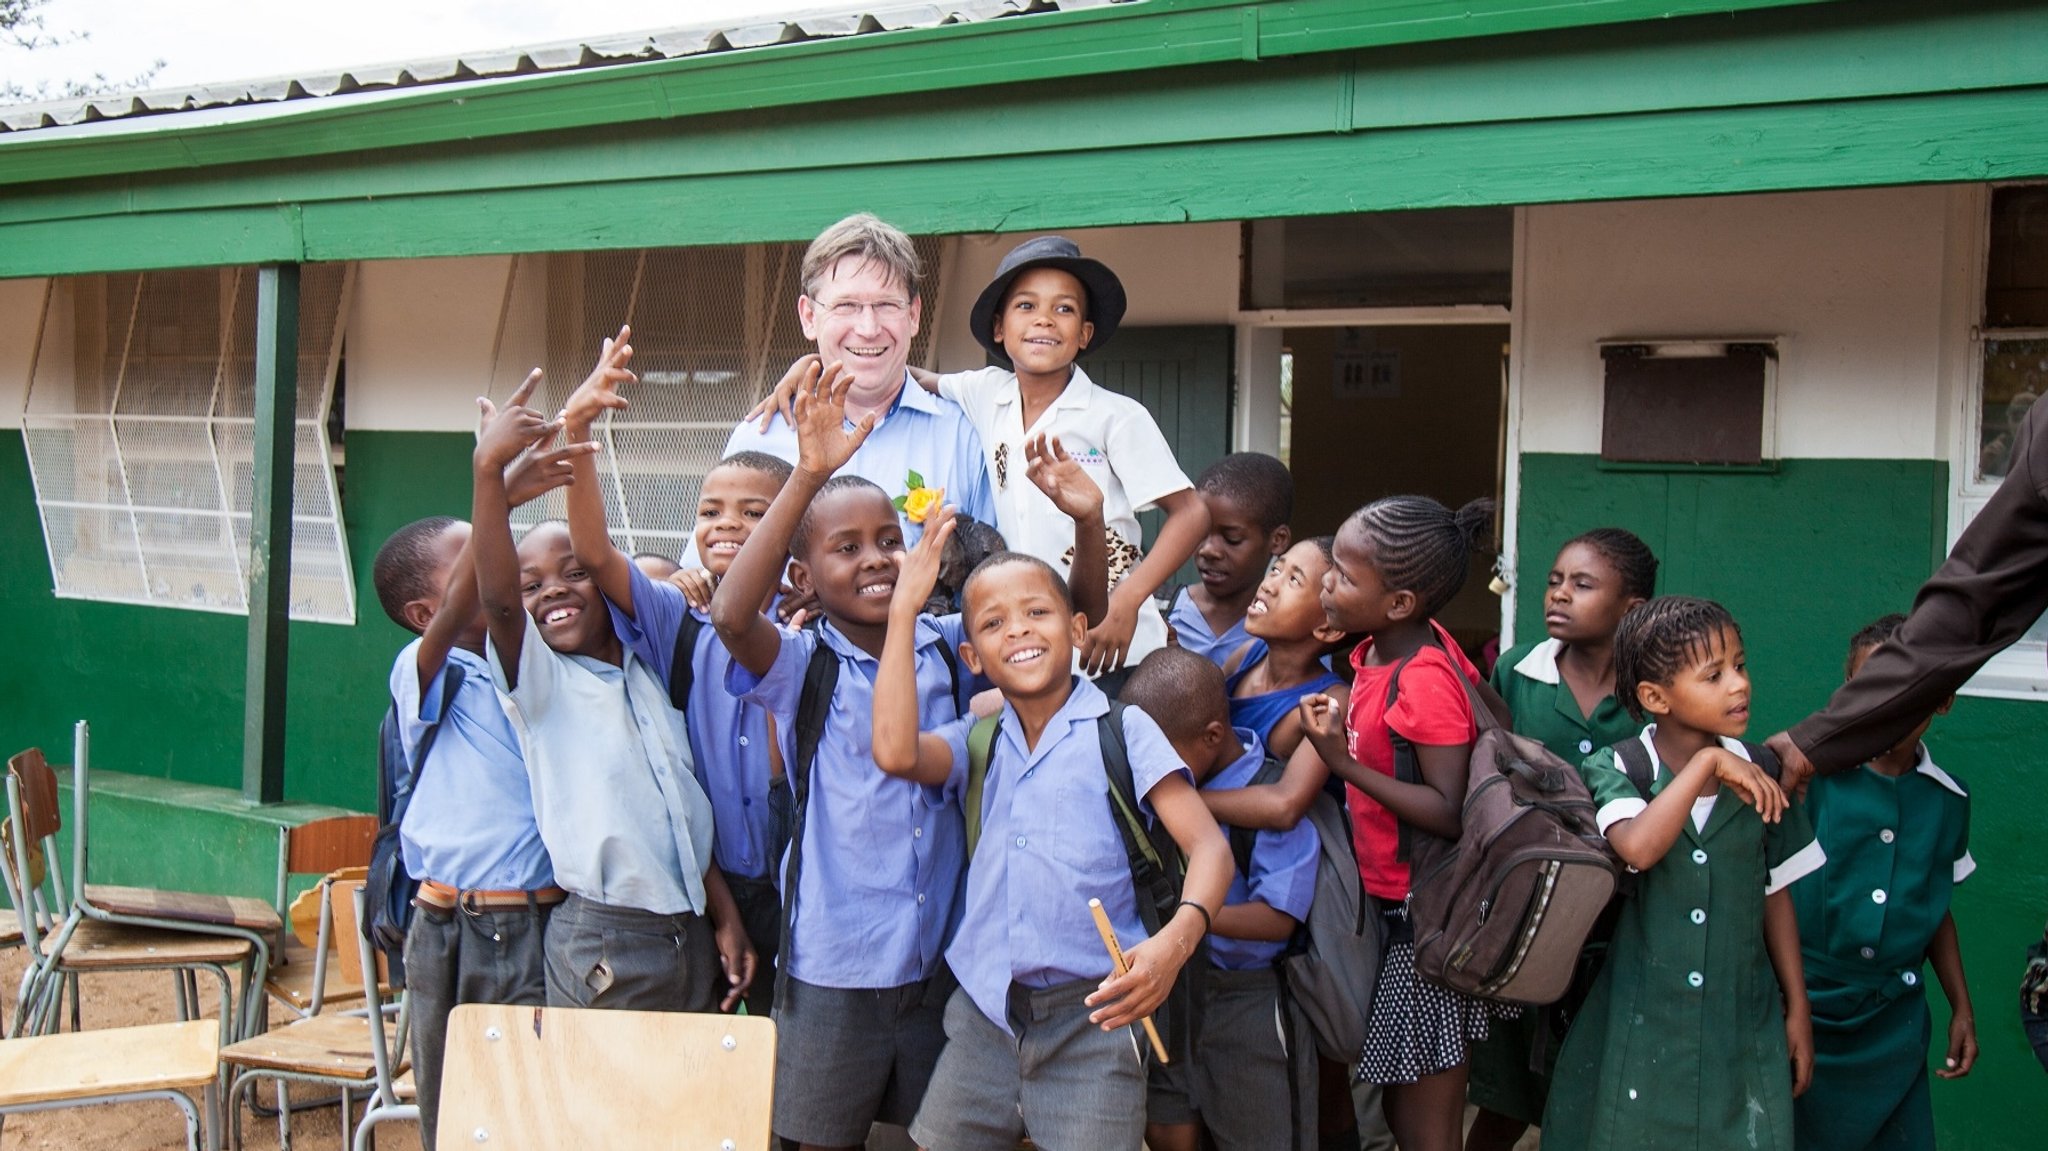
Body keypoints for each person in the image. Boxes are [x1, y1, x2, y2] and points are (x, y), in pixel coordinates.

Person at [708, 363, 1105, 1151]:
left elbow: (1071, 625)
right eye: (846, 548)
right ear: (803, 575)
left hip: (938, 963)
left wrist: (1088, 524)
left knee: (925, 1136)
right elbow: (727, 615)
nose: (877, 559)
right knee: (817, 1137)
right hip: (833, 967)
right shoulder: (800, 662)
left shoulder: (949, 647)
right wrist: (810, 471)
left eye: (890, 539)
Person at [873, 538, 1232, 1150]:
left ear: (1077, 627)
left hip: (1097, 1017)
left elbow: (1210, 851)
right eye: (993, 623)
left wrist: (1172, 946)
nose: (1017, 631)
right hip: (984, 1012)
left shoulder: (1124, 729)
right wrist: (903, 611)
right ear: (973, 656)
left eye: (1036, 612)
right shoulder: (978, 740)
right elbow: (896, 751)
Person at [753, 234, 1204, 679]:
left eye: (1063, 309)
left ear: (1085, 333)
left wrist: (1127, 600)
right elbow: (886, 363)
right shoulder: (986, 394)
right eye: (1026, 306)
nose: (1044, 321)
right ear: (998, 328)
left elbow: (1191, 514)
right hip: (1032, 650)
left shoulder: (1115, 416)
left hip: (1115, 640)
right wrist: (810, 367)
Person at [470, 354, 754, 1013]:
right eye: (532, 584)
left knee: (680, 1103)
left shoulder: (649, 675)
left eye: (571, 573)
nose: (553, 593)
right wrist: (490, 475)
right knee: (602, 1110)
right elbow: (497, 600)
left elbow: (679, 814)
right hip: (605, 936)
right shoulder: (538, 686)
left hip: (686, 927)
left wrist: (725, 916)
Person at [556, 344, 800, 1018]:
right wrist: (577, 440)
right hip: (708, 879)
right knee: (710, 1039)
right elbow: (597, 554)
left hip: (802, 884)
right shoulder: (678, 620)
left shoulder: (813, 624)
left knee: (792, 1052)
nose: (727, 524)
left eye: (755, 513)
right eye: (712, 510)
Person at [1545, 597, 1823, 1151]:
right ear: (1655, 698)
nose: (1738, 685)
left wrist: (1798, 1007)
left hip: (1740, 1022)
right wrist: (1708, 764)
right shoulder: (1620, 766)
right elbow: (1639, 849)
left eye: (1740, 666)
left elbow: (1776, 895)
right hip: (1641, 1018)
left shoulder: (1765, 770)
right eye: (1714, 675)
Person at [1295, 495, 1510, 1151]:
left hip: (1429, 917)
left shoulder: (1424, 678)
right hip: (1397, 911)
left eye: (1346, 577)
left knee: (1423, 1121)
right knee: (1400, 1103)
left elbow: (1447, 810)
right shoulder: (1382, 652)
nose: (1329, 582)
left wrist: (1342, 763)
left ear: (1399, 604)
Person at [1465, 527, 1657, 1151]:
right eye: (1553, 580)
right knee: (1507, 1091)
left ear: (1631, 608)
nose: (1559, 595)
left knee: (1596, 1084)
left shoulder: (1654, 690)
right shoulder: (1518, 669)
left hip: (1620, 917)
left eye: (1582, 584)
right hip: (1527, 910)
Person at [1767, 402, 2048, 785]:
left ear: (1944, 701)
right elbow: (1974, 602)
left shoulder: (1947, 798)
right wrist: (1818, 739)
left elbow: (1973, 600)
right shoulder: (1825, 795)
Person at [709, 212, 995, 559]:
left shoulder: (966, 437)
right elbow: (710, 590)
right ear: (809, 317)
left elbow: (993, 587)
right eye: (846, 305)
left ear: (915, 314)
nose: (869, 327)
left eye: (887, 305)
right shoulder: (759, 439)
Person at [1124, 647, 1320, 1151]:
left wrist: (1184, 923)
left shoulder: (1267, 790)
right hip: (1181, 990)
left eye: (1162, 755)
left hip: (1249, 1003)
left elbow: (1277, 920)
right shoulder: (1167, 798)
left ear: (1212, 736)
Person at [1793, 613, 1977, 1151]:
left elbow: (1934, 908)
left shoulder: (1949, 799)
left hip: (1892, 1021)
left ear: (1943, 701)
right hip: (1806, 1010)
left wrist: (1961, 1006)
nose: (1888, 705)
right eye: (1870, 687)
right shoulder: (1810, 782)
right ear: (1847, 693)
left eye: (1909, 690)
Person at [1171, 452, 1295, 666]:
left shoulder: (1293, 637)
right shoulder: (1159, 612)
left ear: (1278, 540)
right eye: (1198, 532)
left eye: (1232, 538)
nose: (1208, 550)